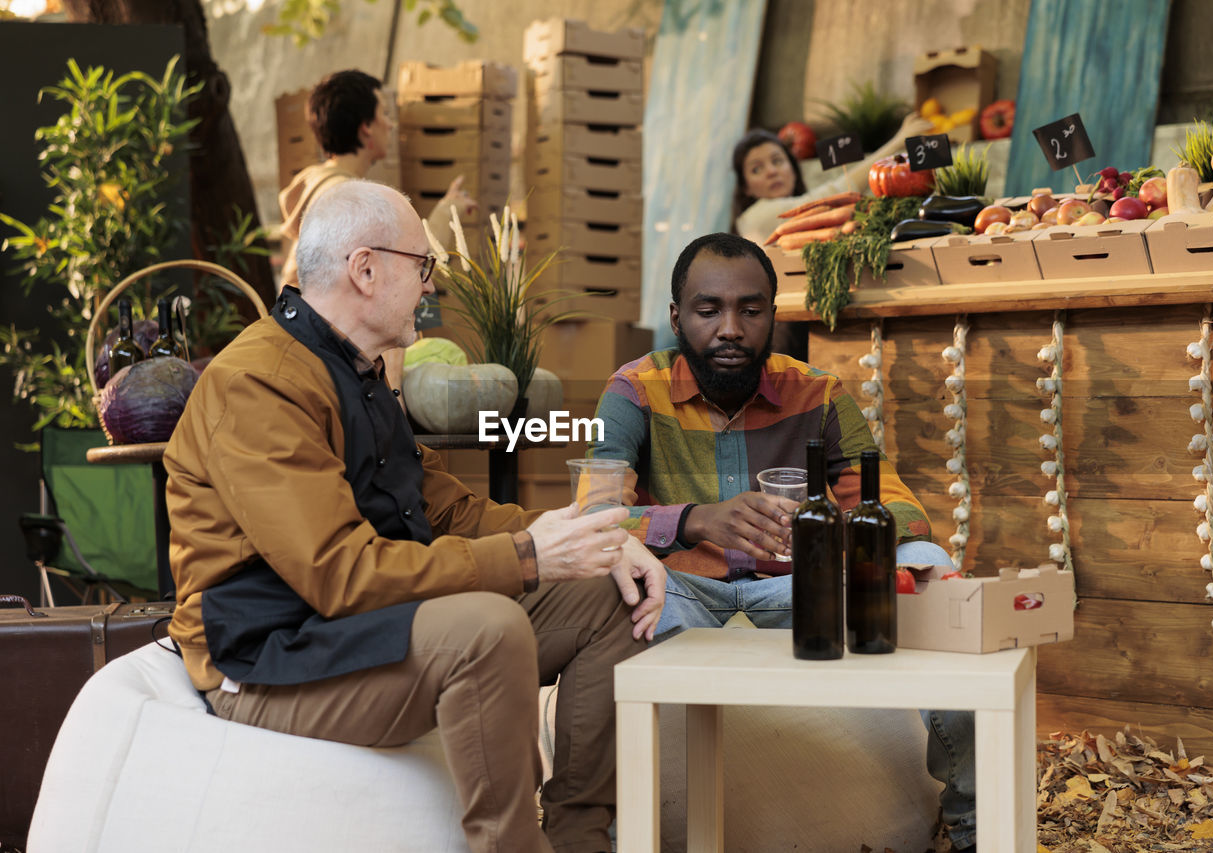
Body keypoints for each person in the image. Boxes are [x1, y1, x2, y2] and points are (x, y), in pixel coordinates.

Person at [164, 179, 666, 853]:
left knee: (602, 595)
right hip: (273, 655)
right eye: (422, 265)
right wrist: (525, 557)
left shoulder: (356, 368)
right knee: (487, 628)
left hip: (362, 628)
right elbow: (338, 575)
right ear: (365, 269)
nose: (431, 287)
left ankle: (579, 837)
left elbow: (447, 507)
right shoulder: (259, 382)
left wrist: (594, 538)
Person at [587, 231, 976, 853]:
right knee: (592, 588)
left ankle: (972, 826)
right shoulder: (634, 391)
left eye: (751, 308)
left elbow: (904, 512)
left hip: (804, 592)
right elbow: (594, 518)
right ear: (676, 317)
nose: (731, 328)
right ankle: (609, 835)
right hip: (680, 593)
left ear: (774, 313)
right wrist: (694, 521)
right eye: (708, 309)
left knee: (928, 563)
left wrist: (825, 530)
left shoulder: (817, 393)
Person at [278, 69, 474, 395]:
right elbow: (385, 291)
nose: (391, 124)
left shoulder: (319, 186)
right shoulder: (346, 200)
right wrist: (393, 397)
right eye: (384, 113)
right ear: (366, 126)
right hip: (345, 374)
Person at [731, 114, 935, 247]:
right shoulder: (755, 218)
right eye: (757, 169)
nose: (771, 171)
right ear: (745, 187)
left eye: (777, 161)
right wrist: (898, 142)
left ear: (793, 169)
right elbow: (832, 193)